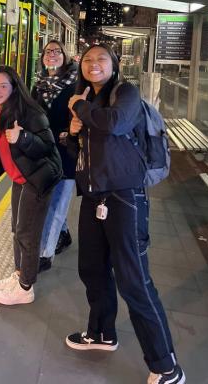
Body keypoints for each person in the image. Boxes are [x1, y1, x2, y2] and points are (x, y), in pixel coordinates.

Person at [65, 43, 185, 384]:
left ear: (115, 64)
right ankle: (102, 334)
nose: (94, 63)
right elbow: (84, 153)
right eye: (87, 59)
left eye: (102, 58)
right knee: (92, 269)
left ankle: (166, 366)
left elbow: (115, 124)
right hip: (93, 197)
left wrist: (79, 108)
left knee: (134, 281)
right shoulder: (89, 102)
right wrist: (72, 135)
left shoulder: (125, 93)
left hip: (125, 197)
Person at [0, 66, 62, 306]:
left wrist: (24, 139)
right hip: (19, 177)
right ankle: (19, 276)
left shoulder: (30, 113)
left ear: (14, 88)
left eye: (3, 86)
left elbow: (47, 147)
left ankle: (25, 288)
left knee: (28, 234)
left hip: (37, 178)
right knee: (17, 230)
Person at [31, 40, 77, 272]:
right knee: (49, 202)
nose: (52, 55)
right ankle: (64, 235)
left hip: (66, 154)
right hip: (44, 155)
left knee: (56, 206)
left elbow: (80, 118)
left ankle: (44, 255)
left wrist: (71, 132)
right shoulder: (38, 85)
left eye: (57, 51)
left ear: (65, 57)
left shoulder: (75, 86)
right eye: (48, 51)